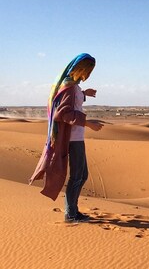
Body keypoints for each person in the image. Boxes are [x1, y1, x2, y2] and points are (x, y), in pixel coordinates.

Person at [30, 53, 103, 223]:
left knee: (82, 175)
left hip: (77, 136)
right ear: (80, 68)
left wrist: (84, 94)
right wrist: (87, 122)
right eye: (88, 70)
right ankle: (71, 214)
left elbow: (71, 102)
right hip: (72, 138)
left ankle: (73, 211)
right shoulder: (69, 87)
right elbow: (62, 113)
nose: (89, 74)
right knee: (77, 176)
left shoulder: (73, 86)